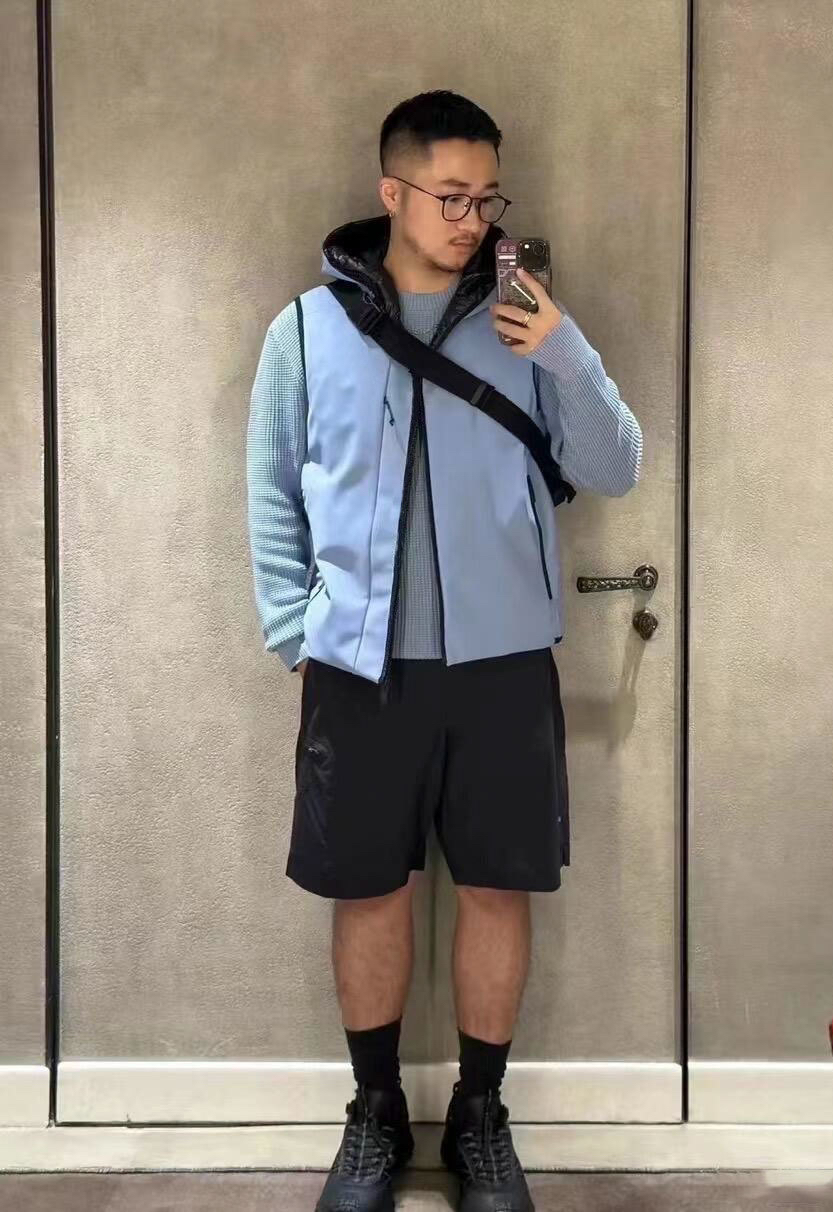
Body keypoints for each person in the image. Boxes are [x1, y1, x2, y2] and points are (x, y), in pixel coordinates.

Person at [246, 89, 643, 1212]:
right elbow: (272, 491)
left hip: (504, 664)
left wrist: (565, 351)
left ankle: (480, 1120)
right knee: (367, 892)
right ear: (394, 192)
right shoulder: (307, 328)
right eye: (451, 197)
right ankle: (374, 1117)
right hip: (357, 668)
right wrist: (296, 630)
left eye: (487, 200)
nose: (472, 220)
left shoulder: (528, 323)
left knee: (497, 889)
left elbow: (615, 466)